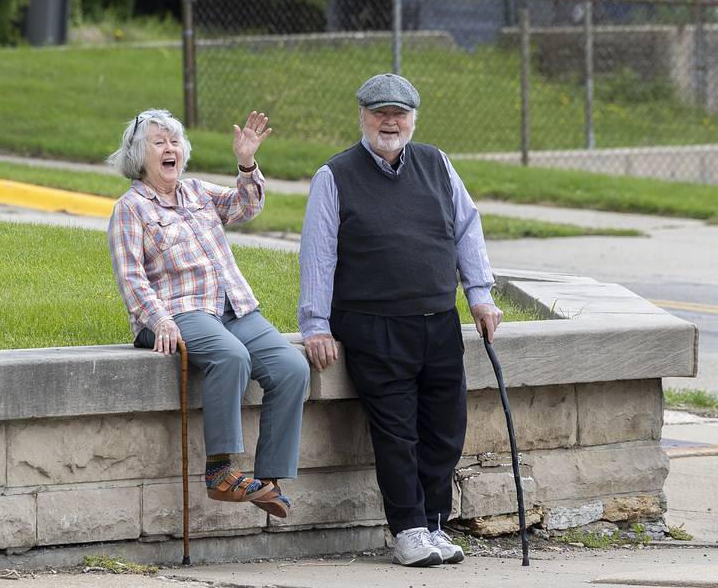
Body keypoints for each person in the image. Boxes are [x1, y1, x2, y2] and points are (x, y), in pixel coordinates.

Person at [298, 74, 503, 567]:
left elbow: (466, 228)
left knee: (445, 428)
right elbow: (318, 254)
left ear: (413, 118)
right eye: (379, 112)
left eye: (399, 113)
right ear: (363, 116)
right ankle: (407, 530)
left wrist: (479, 295)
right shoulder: (335, 175)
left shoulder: (436, 164)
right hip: (372, 324)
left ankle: (433, 523)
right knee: (396, 433)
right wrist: (315, 324)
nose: (389, 122)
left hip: (438, 320)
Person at [107, 108, 310, 519]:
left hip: (232, 305)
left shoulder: (197, 192)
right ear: (137, 155)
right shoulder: (131, 208)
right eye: (159, 142)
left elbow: (245, 207)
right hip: (178, 311)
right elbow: (131, 278)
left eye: (175, 141)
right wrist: (158, 319)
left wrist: (247, 163)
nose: (170, 148)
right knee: (231, 356)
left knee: (292, 366)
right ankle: (220, 471)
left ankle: (267, 480)